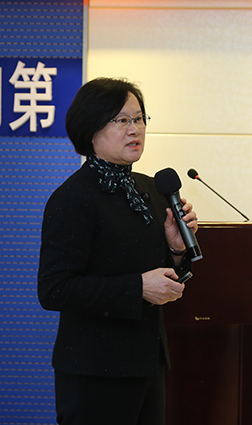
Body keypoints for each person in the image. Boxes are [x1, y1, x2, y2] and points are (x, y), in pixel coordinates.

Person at [37, 77, 198, 425]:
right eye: (121, 120)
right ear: (91, 129)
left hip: (147, 362)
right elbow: (54, 289)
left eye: (139, 119)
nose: (134, 129)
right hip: (95, 371)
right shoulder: (72, 199)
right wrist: (137, 287)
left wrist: (175, 250)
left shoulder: (151, 190)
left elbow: (161, 276)